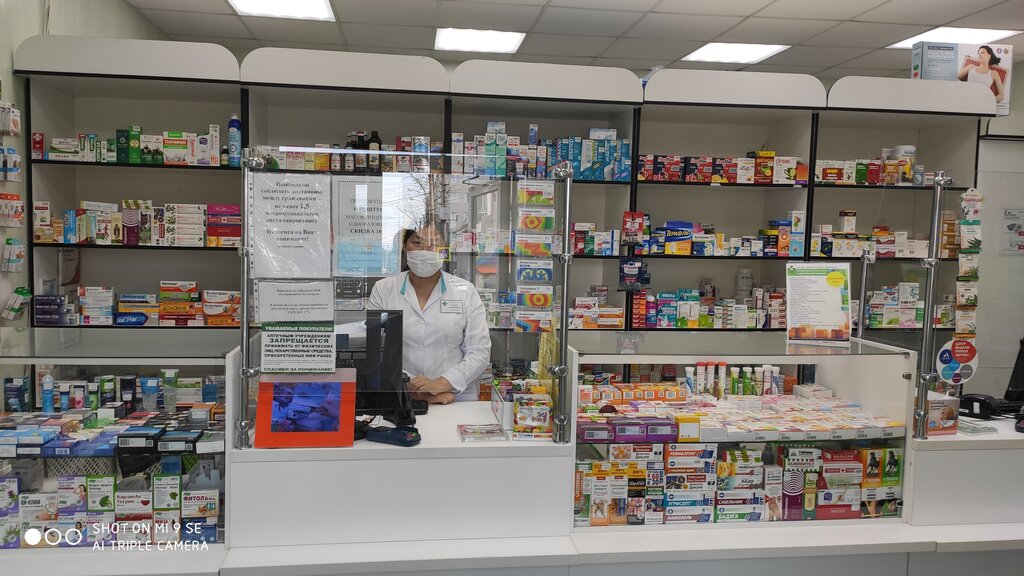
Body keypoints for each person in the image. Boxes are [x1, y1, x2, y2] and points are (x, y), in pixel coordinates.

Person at [368, 223, 491, 404]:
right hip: (400, 396)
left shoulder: (465, 290)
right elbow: (373, 348)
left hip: (453, 398)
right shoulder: (384, 289)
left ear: (444, 250)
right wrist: (411, 385)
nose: (425, 249)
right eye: (417, 242)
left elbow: (479, 351)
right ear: (404, 248)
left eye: (434, 243)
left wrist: (443, 383)